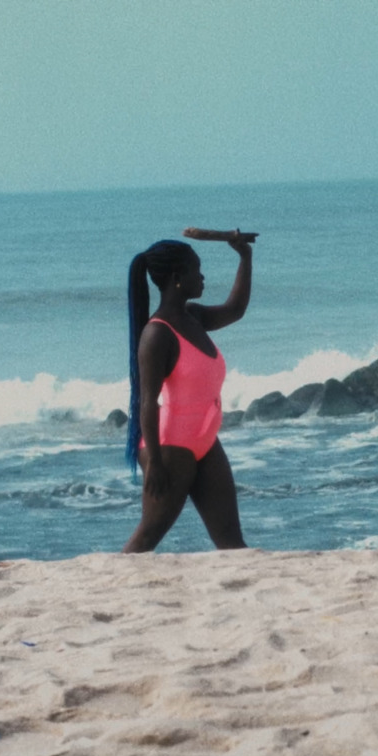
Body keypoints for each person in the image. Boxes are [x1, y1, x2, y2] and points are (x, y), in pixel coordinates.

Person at [122, 231, 255, 553]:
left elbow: (235, 310)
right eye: (197, 269)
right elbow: (148, 401)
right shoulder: (157, 334)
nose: (203, 276)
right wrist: (153, 460)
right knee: (147, 538)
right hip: (169, 447)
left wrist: (245, 258)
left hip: (205, 442)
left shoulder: (192, 317)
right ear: (177, 277)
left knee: (232, 542)